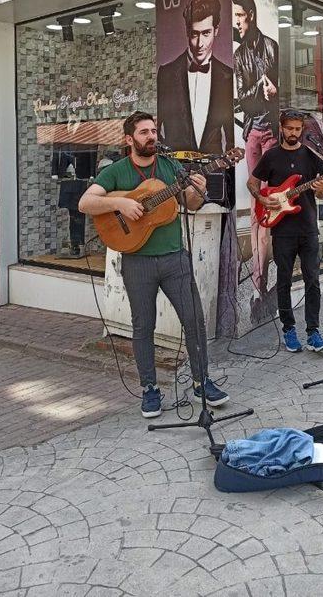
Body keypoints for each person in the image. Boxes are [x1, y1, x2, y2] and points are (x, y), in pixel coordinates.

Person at [78, 111, 230, 418]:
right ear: (129, 139)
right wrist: (119, 202)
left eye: (152, 131)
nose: (151, 136)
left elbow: (190, 203)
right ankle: (149, 389)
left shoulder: (170, 166)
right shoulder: (116, 172)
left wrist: (197, 189)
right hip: (138, 261)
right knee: (143, 326)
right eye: (144, 132)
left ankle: (202, 381)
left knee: (194, 321)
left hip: (175, 257)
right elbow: (85, 203)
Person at [247, 109, 323, 353]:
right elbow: (252, 183)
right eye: (290, 128)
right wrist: (262, 199)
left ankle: (313, 331)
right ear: (281, 128)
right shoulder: (271, 156)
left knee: (312, 280)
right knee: (283, 280)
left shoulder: (311, 155)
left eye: (298, 129)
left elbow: (322, 192)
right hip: (282, 229)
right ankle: (288, 329)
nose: (294, 133)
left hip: (307, 227)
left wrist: (321, 188)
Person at [233, 0, 279, 307]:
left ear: (249, 14)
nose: (236, 22)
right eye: (234, 16)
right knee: (256, 209)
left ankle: (269, 276)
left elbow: (274, 93)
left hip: (273, 135)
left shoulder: (272, 48)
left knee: (274, 206)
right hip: (252, 135)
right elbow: (241, 100)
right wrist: (259, 88)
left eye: (238, 16)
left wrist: (271, 91)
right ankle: (258, 285)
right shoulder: (238, 57)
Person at [157, 0, 234, 155]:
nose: (200, 43)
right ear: (187, 31)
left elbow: (230, 132)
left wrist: (227, 165)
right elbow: (156, 126)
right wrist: (165, 156)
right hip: (175, 167)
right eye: (194, 34)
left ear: (216, 30)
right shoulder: (167, 74)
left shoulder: (228, 76)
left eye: (206, 33)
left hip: (213, 168)